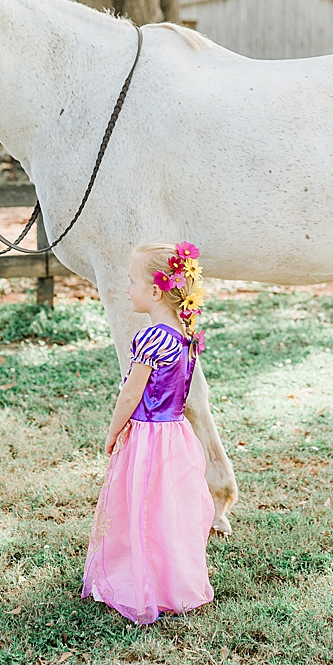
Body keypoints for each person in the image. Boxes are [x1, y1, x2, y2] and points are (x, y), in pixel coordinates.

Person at [83, 242, 216, 624]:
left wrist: (113, 432)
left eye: (131, 282)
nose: (126, 288)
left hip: (146, 437)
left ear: (155, 292)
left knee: (139, 506)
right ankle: (170, 581)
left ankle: (140, 581)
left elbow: (130, 395)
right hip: (176, 435)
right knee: (169, 509)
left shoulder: (151, 338)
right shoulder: (187, 336)